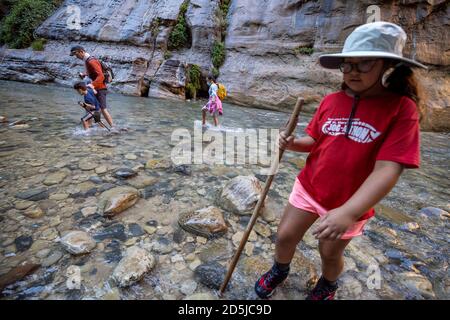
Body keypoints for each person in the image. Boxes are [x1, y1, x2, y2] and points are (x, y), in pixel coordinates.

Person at [254, 21, 427, 300]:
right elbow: (315, 142)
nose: (353, 72)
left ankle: (328, 284)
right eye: (347, 64)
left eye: (364, 64)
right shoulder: (331, 100)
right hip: (310, 187)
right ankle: (280, 269)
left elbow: (388, 168)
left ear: (386, 65)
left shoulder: (401, 109)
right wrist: (293, 143)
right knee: (285, 236)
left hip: (352, 201)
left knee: (329, 251)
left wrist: (347, 212)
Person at [70, 45, 114, 127]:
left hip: (100, 88)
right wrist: (84, 74)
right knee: (94, 108)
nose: (76, 56)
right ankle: (95, 126)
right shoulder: (87, 60)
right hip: (96, 88)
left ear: (81, 51)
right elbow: (93, 72)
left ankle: (113, 128)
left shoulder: (91, 61)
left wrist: (92, 85)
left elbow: (101, 76)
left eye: (76, 54)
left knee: (103, 109)